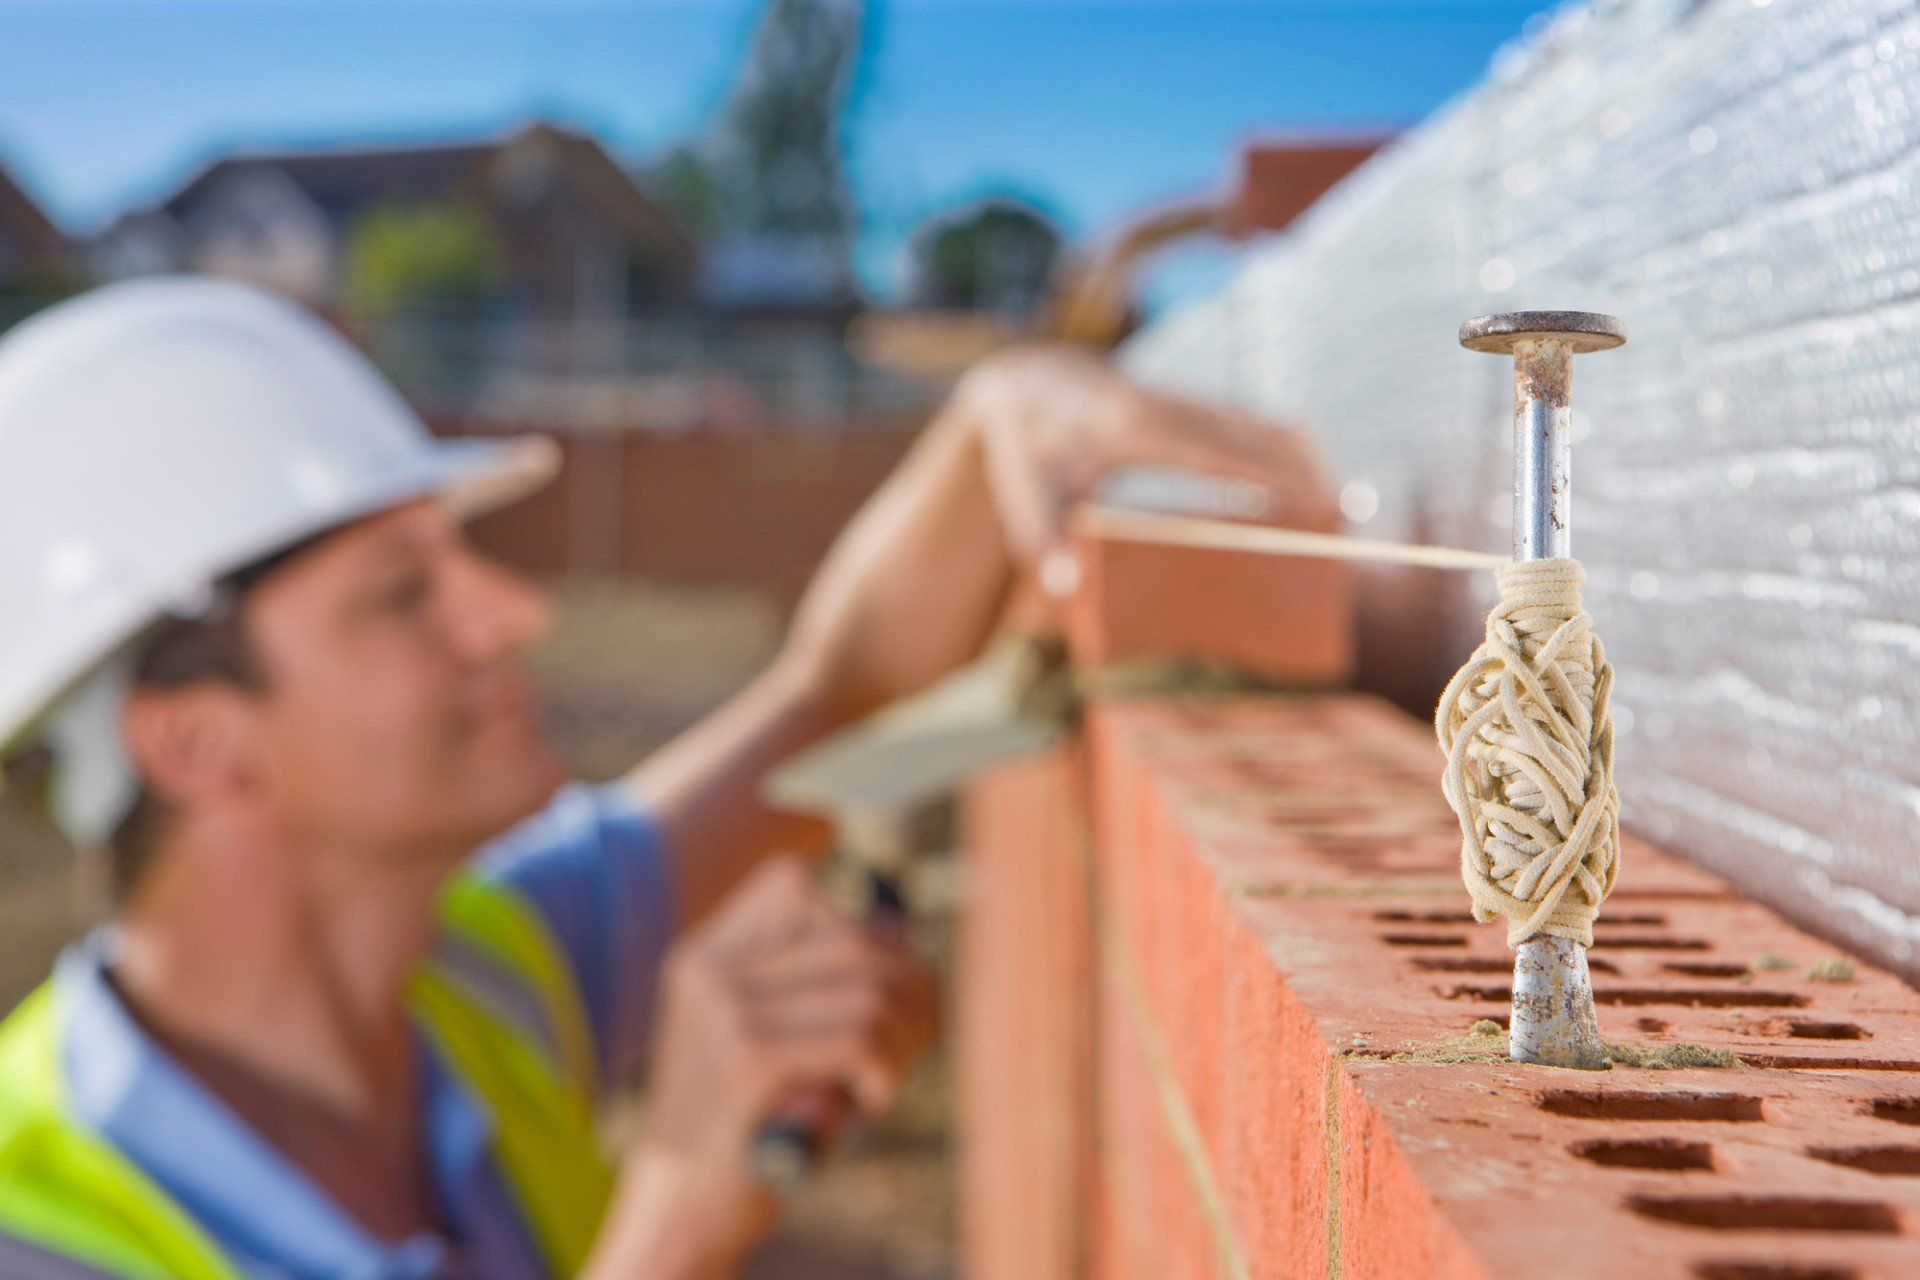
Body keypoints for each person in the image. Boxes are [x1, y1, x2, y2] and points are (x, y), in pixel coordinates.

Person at [0, 278, 1332, 1278]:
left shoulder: (481, 966)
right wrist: (677, 1218)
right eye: (403, 592)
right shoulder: (38, 1230)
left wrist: (999, 416)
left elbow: (835, 692)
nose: (513, 611)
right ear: (195, 743)